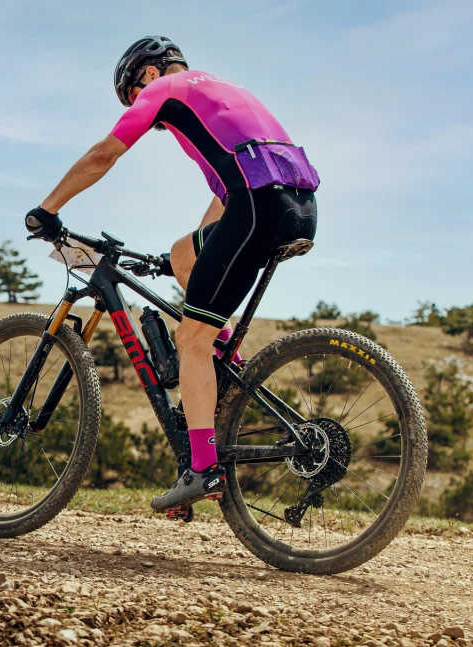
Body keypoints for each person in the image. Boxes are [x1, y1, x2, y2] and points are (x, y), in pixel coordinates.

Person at [24, 36, 320, 514]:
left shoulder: (165, 90)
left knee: (191, 340)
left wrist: (47, 210)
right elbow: (232, 189)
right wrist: (191, 257)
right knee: (185, 253)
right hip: (297, 206)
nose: (143, 110)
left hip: (257, 207)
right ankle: (227, 368)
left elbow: (105, 153)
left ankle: (202, 468)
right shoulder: (223, 91)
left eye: (133, 93)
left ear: (148, 73)